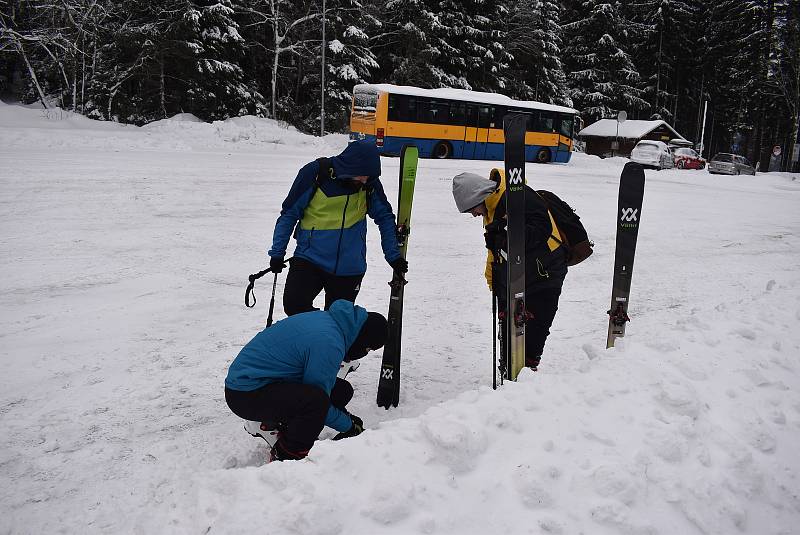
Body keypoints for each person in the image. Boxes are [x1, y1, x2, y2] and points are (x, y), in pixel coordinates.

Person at [225, 299, 389, 461]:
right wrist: (348, 426)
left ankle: (282, 424)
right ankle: (287, 455)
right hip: (246, 393)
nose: (364, 353)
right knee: (314, 404)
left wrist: (345, 420)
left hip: (265, 379)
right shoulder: (330, 342)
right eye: (367, 349)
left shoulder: (332, 322)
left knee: (342, 391)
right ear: (363, 337)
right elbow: (319, 402)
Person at [268, 140, 407, 316]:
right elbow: (289, 214)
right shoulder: (316, 173)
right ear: (351, 166)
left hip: (349, 267)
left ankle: (328, 337)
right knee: (294, 307)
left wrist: (393, 256)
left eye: (369, 177)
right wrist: (277, 253)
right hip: (310, 259)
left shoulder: (369, 184)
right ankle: (319, 334)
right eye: (362, 175)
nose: (365, 180)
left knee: (339, 320)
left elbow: (385, 217)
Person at [452, 170, 567, 371]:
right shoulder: (491, 209)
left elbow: (542, 228)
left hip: (547, 271)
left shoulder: (518, 195)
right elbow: (494, 252)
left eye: (471, 209)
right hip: (519, 273)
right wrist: (494, 284)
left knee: (535, 329)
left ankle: (527, 372)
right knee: (510, 327)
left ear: (479, 196)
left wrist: (508, 236)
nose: (473, 214)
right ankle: (510, 369)